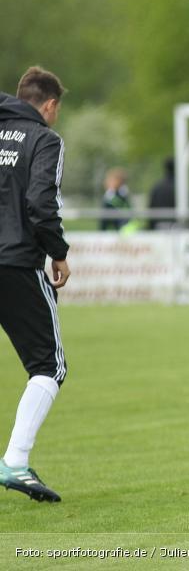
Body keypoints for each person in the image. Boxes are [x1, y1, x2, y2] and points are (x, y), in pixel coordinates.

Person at [0, 66, 71, 502]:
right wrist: (58, 252)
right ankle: (15, 462)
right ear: (49, 105)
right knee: (49, 366)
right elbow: (40, 201)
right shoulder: (45, 140)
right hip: (15, 263)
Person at [147, 156, 176, 230]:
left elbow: (151, 207)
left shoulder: (157, 187)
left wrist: (150, 227)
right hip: (177, 226)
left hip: (159, 226)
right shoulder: (180, 187)